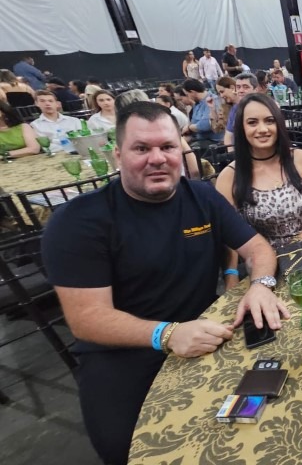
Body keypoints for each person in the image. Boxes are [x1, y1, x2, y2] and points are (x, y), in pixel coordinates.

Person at [41, 101, 288, 464]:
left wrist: (260, 284)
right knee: (132, 453)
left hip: (206, 334)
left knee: (269, 421)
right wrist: (168, 334)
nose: (157, 159)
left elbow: (258, 249)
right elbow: (87, 319)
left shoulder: (201, 195)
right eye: (142, 148)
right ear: (118, 155)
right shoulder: (78, 221)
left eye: (167, 147)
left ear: (180, 151)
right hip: (123, 358)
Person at [214, 93, 302, 289]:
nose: (262, 129)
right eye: (252, 122)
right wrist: (231, 277)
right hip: (264, 265)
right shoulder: (229, 176)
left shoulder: (301, 159)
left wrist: (296, 245)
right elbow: (228, 238)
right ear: (241, 128)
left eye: (269, 121)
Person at [224, 72, 258, 147]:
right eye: (238, 87)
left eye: (246, 87)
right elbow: (228, 135)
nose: (241, 90)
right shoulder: (235, 108)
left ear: (255, 90)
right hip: (237, 149)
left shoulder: (263, 108)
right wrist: (230, 153)